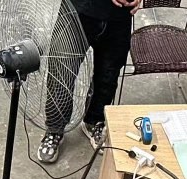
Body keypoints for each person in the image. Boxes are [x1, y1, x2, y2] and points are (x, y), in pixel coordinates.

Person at [38, 0, 141, 163]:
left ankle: (94, 121)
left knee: (108, 74)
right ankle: (55, 129)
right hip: (78, 12)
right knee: (62, 72)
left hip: (120, 16)